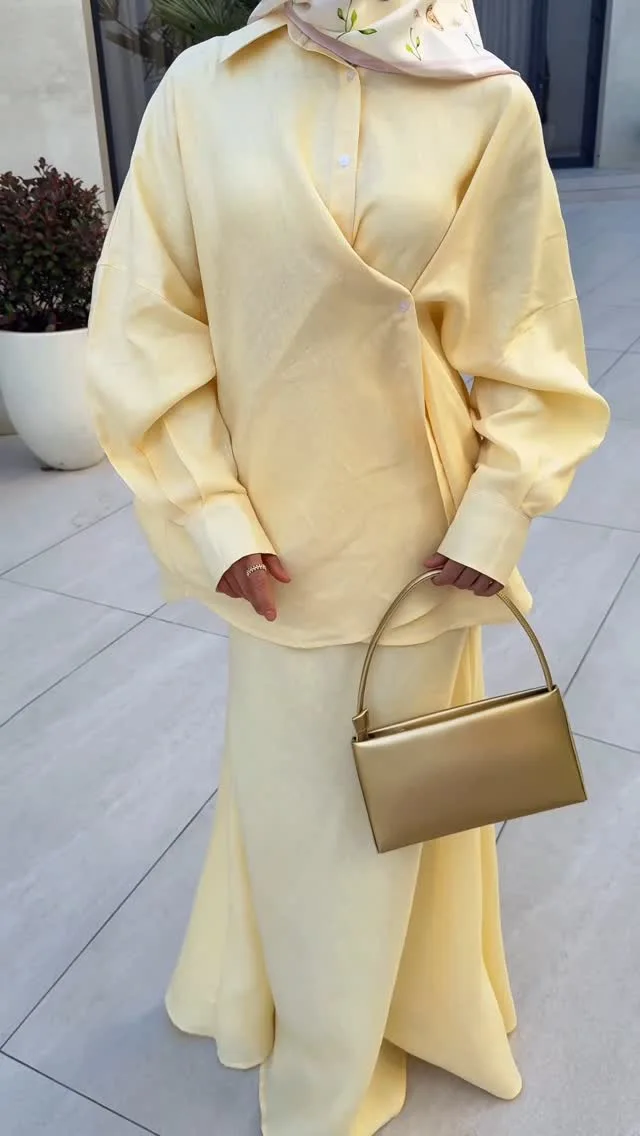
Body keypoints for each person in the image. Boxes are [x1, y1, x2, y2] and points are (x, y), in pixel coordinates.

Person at [87, 0, 609, 1131]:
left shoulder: (484, 98)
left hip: (421, 539)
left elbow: (528, 334)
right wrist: (210, 513)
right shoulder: (201, 90)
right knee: (293, 801)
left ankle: (403, 1020)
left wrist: (494, 513)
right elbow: (146, 320)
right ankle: (305, 1036)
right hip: (269, 539)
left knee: (409, 793)